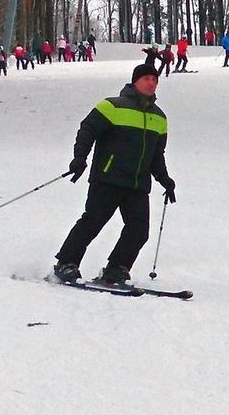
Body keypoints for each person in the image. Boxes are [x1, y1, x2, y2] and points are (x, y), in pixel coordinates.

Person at [53, 63, 176, 286]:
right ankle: (66, 263)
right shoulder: (111, 106)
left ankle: (116, 268)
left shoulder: (159, 117)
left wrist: (165, 180)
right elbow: (87, 130)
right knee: (92, 222)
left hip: (137, 183)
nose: (151, 83)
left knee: (139, 230)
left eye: (155, 80)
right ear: (135, 81)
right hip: (108, 178)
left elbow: (156, 155)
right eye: (147, 78)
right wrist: (80, 158)